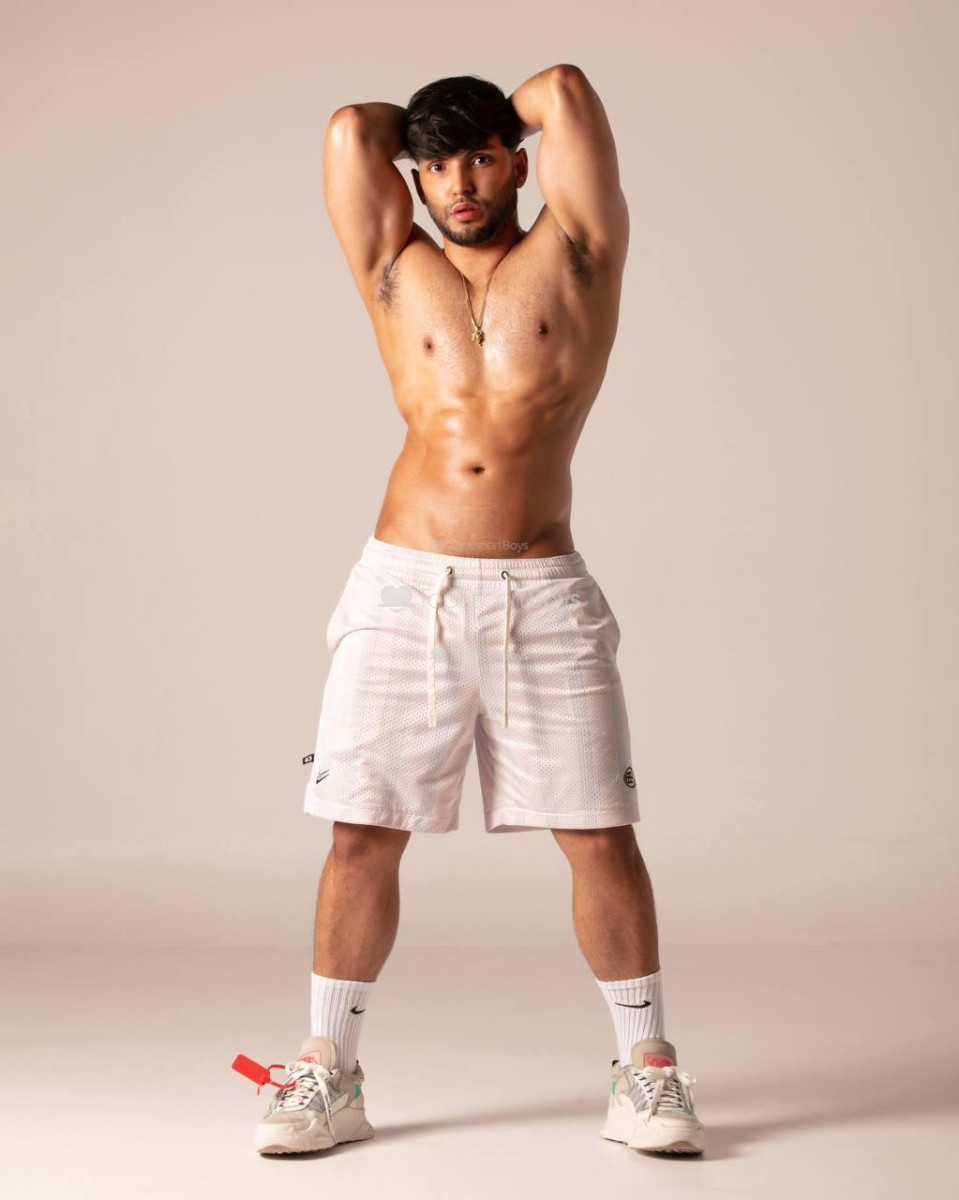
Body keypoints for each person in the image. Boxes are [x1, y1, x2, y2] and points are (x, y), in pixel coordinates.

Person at [250, 65, 704, 1157]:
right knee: (361, 831)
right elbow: (348, 130)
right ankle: (327, 1071)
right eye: (438, 164)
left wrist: (497, 112)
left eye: (483, 159)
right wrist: (432, 126)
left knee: (598, 834)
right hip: (401, 586)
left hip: (542, 592)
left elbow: (565, 92)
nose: (459, 183)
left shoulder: (579, 251)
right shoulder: (394, 265)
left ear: (518, 163)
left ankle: (646, 1071)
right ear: (414, 172)